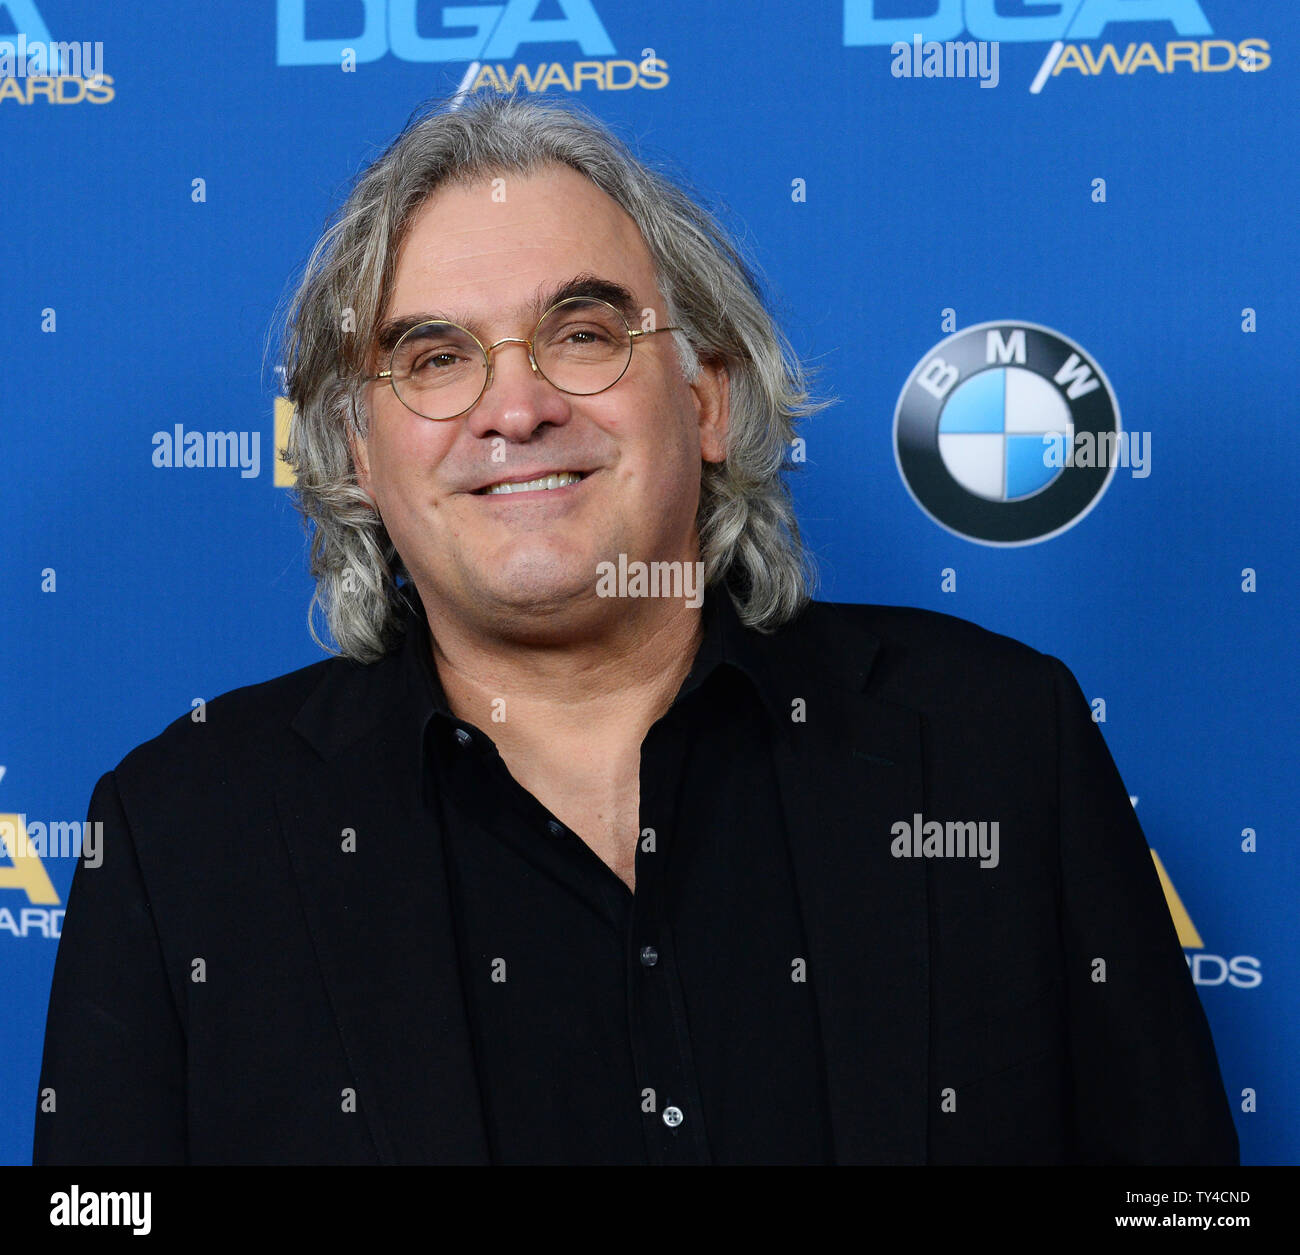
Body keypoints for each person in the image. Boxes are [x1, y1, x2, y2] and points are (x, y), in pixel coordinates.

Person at [33, 91, 1237, 1166]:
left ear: (707, 398)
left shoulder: (999, 744)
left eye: (583, 333)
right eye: (435, 358)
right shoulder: (181, 839)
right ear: (355, 451)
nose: (516, 408)